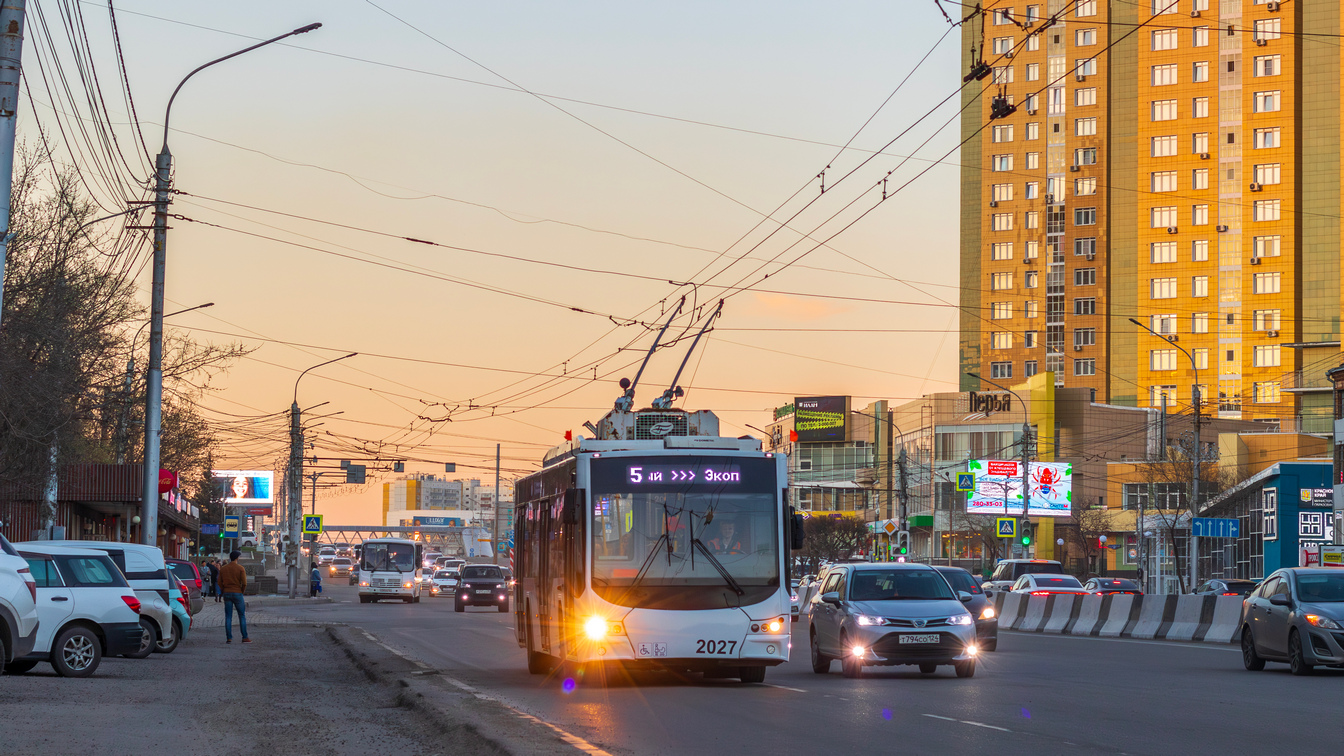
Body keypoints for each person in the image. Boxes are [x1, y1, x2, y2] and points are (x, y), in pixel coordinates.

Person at [219, 550, 250, 643]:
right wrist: (241, 591)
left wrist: (223, 590)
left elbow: (219, 582)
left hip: (227, 593)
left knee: (228, 616)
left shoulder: (223, 569)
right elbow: (244, 583)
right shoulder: (240, 568)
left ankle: (229, 638)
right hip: (237, 593)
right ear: (237, 558)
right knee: (241, 615)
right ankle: (245, 637)